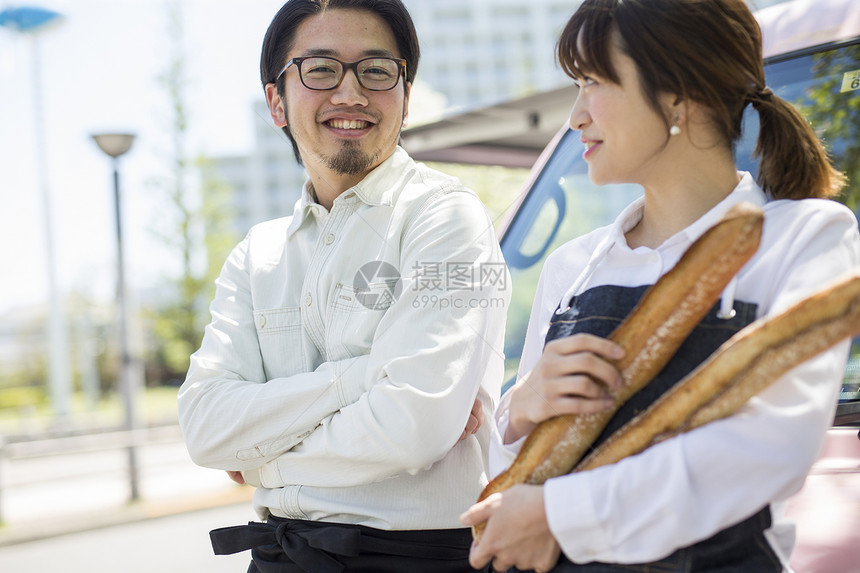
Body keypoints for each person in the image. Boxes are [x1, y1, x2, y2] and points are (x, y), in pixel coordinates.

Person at [460, 0, 860, 572]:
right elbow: (517, 475)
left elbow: (770, 449)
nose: (575, 116)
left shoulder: (804, 237)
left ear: (679, 94)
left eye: (593, 81)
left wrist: (559, 516)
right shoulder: (573, 267)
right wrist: (521, 410)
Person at [177, 1, 509, 571]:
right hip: (279, 557)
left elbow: (411, 429)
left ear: (404, 96)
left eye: (376, 71)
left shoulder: (445, 217)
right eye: (321, 69)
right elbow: (206, 427)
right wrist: (362, 377)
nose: (350, 92)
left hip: (420, 559)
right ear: (277, 101)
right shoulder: (257, 254)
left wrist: (261, 463)